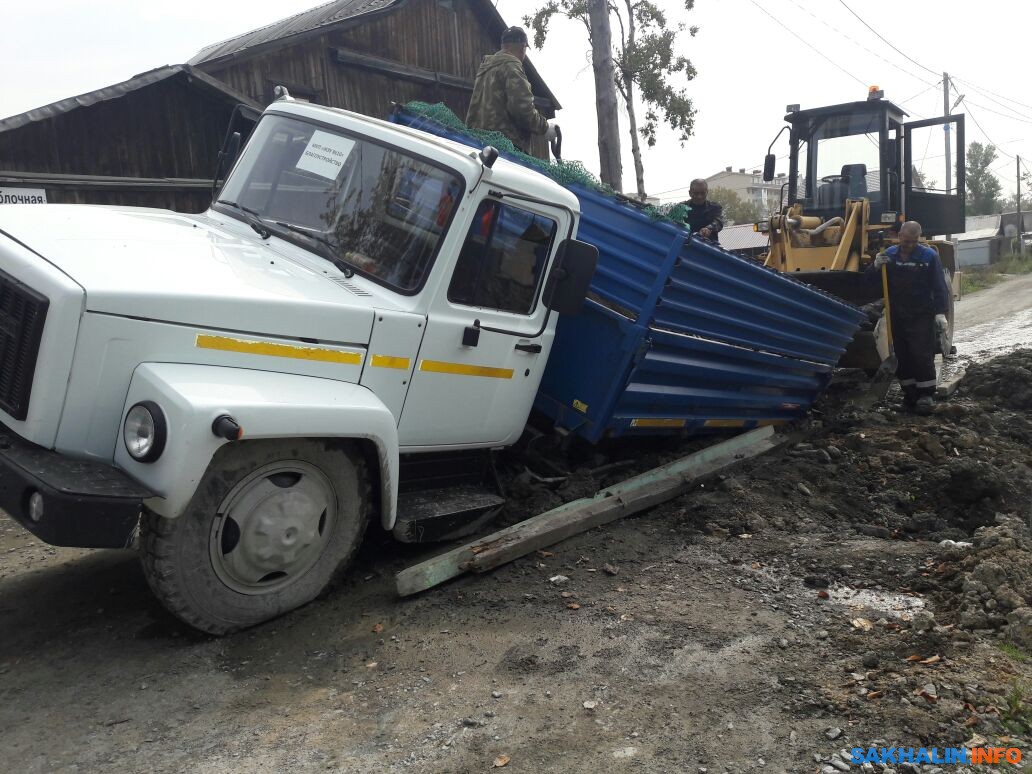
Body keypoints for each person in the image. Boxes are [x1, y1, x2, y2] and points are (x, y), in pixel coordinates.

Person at [867, 220, 951, 415]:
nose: (909, 246)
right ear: (899, 237)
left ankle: (926, 394)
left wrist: (940, 312)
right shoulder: (888, 256)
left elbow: (939, 286)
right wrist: (875, 267)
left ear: (918, 239)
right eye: (906, 242)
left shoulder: (929, 256)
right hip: (897, 313)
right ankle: (910, 395)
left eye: (913, 242)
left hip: (921, 313)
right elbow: (869, 283)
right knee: (902, 355)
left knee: (921, 354)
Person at [466, 26, 557, 154]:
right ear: (523, 48)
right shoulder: (512, 66)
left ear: (503, 46)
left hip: (478, 145)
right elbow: (522, 109)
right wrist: (545, 128)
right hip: (506, 149)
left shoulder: (485, 68)